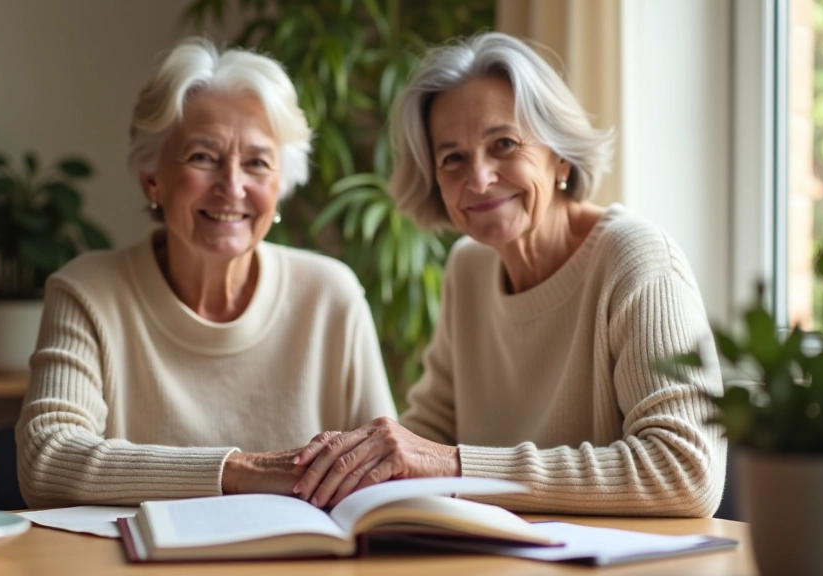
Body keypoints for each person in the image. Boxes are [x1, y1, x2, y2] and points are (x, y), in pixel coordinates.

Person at [291, 32, 726, 517]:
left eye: (504, 144)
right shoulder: (468, 268)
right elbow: (430, 432)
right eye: (452, 158)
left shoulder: (636, 258)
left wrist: (454, 466)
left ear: (560, 154)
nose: (478, 179)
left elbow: (687, 472)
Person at [16, 38, 396, 508]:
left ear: (280, 185)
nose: (231, 187)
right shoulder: (89, 291)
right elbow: (47, 460)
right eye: (203, 157)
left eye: (257, 163)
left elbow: (384, 471)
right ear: (152, 177)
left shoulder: (330, 294)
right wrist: (239, 472)